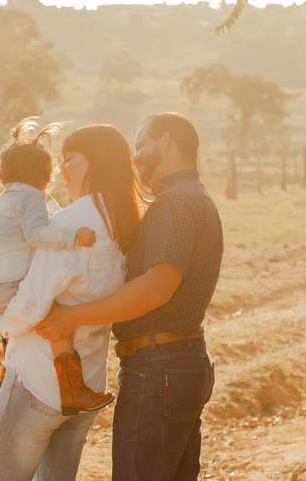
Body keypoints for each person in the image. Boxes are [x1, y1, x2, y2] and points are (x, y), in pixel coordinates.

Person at [35, 112, 223, 481]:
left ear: (166, 141)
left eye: (141, 145)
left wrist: (73, 317)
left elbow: (156, 288)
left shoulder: (175, 205)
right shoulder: (196, 199)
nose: (135, 158)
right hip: (177, 363)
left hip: (158, 369)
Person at [0, 124, 140, 481]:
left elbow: (33, 303)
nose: (62, 170)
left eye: (70, 160)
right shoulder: (123, 222)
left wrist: (5, 323)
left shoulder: (73, 222)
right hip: (87, 376)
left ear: (95, 162)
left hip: (38, 379)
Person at [0, 117, 112, 413]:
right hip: (9, 284)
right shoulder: (31, 197)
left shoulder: (7, 197)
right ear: (44, 172)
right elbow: (36, 234)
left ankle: (6, 370)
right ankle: (72, 388)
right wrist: (73, 237)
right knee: (57, 317)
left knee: (21, 314)